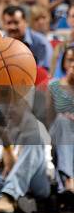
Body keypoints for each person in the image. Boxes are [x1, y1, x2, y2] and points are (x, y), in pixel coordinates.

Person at [47, 45, 74, 194]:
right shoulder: (54, 86)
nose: (73, 64)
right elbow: (48, 120)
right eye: (70, 60)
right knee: (62, 120)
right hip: (58, 136)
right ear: (64, 63)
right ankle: (69, 179)